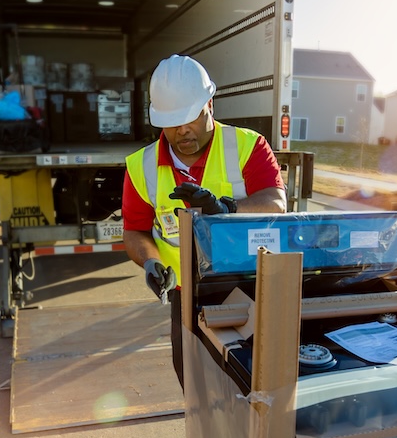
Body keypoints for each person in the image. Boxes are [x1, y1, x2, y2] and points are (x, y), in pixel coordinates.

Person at [122, 54, 287, 388]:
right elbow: (135, 231)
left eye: (191, 117)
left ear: (209, 104)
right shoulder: (141, 167)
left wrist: (227, 209)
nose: (183, 130)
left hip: (250, 291)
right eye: (172, 121)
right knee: (195, 388)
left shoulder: (247, 146)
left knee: (254, 388)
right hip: (186, 297)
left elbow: (276, 202)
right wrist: (151, 264)